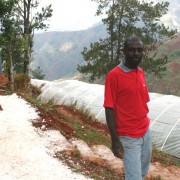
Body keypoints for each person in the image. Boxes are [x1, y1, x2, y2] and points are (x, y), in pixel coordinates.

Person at [104, 35, 152, 180]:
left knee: (142, 173)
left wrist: (146, 132)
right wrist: (115, 139)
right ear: (124, 51)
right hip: (128, 137)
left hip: (145, 133)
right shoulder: (114, 76)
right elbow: (109, 108)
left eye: (139, 50)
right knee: (134, 177)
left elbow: (141, 102)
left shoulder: (140, 72)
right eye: (131, 50)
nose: (136, 53)